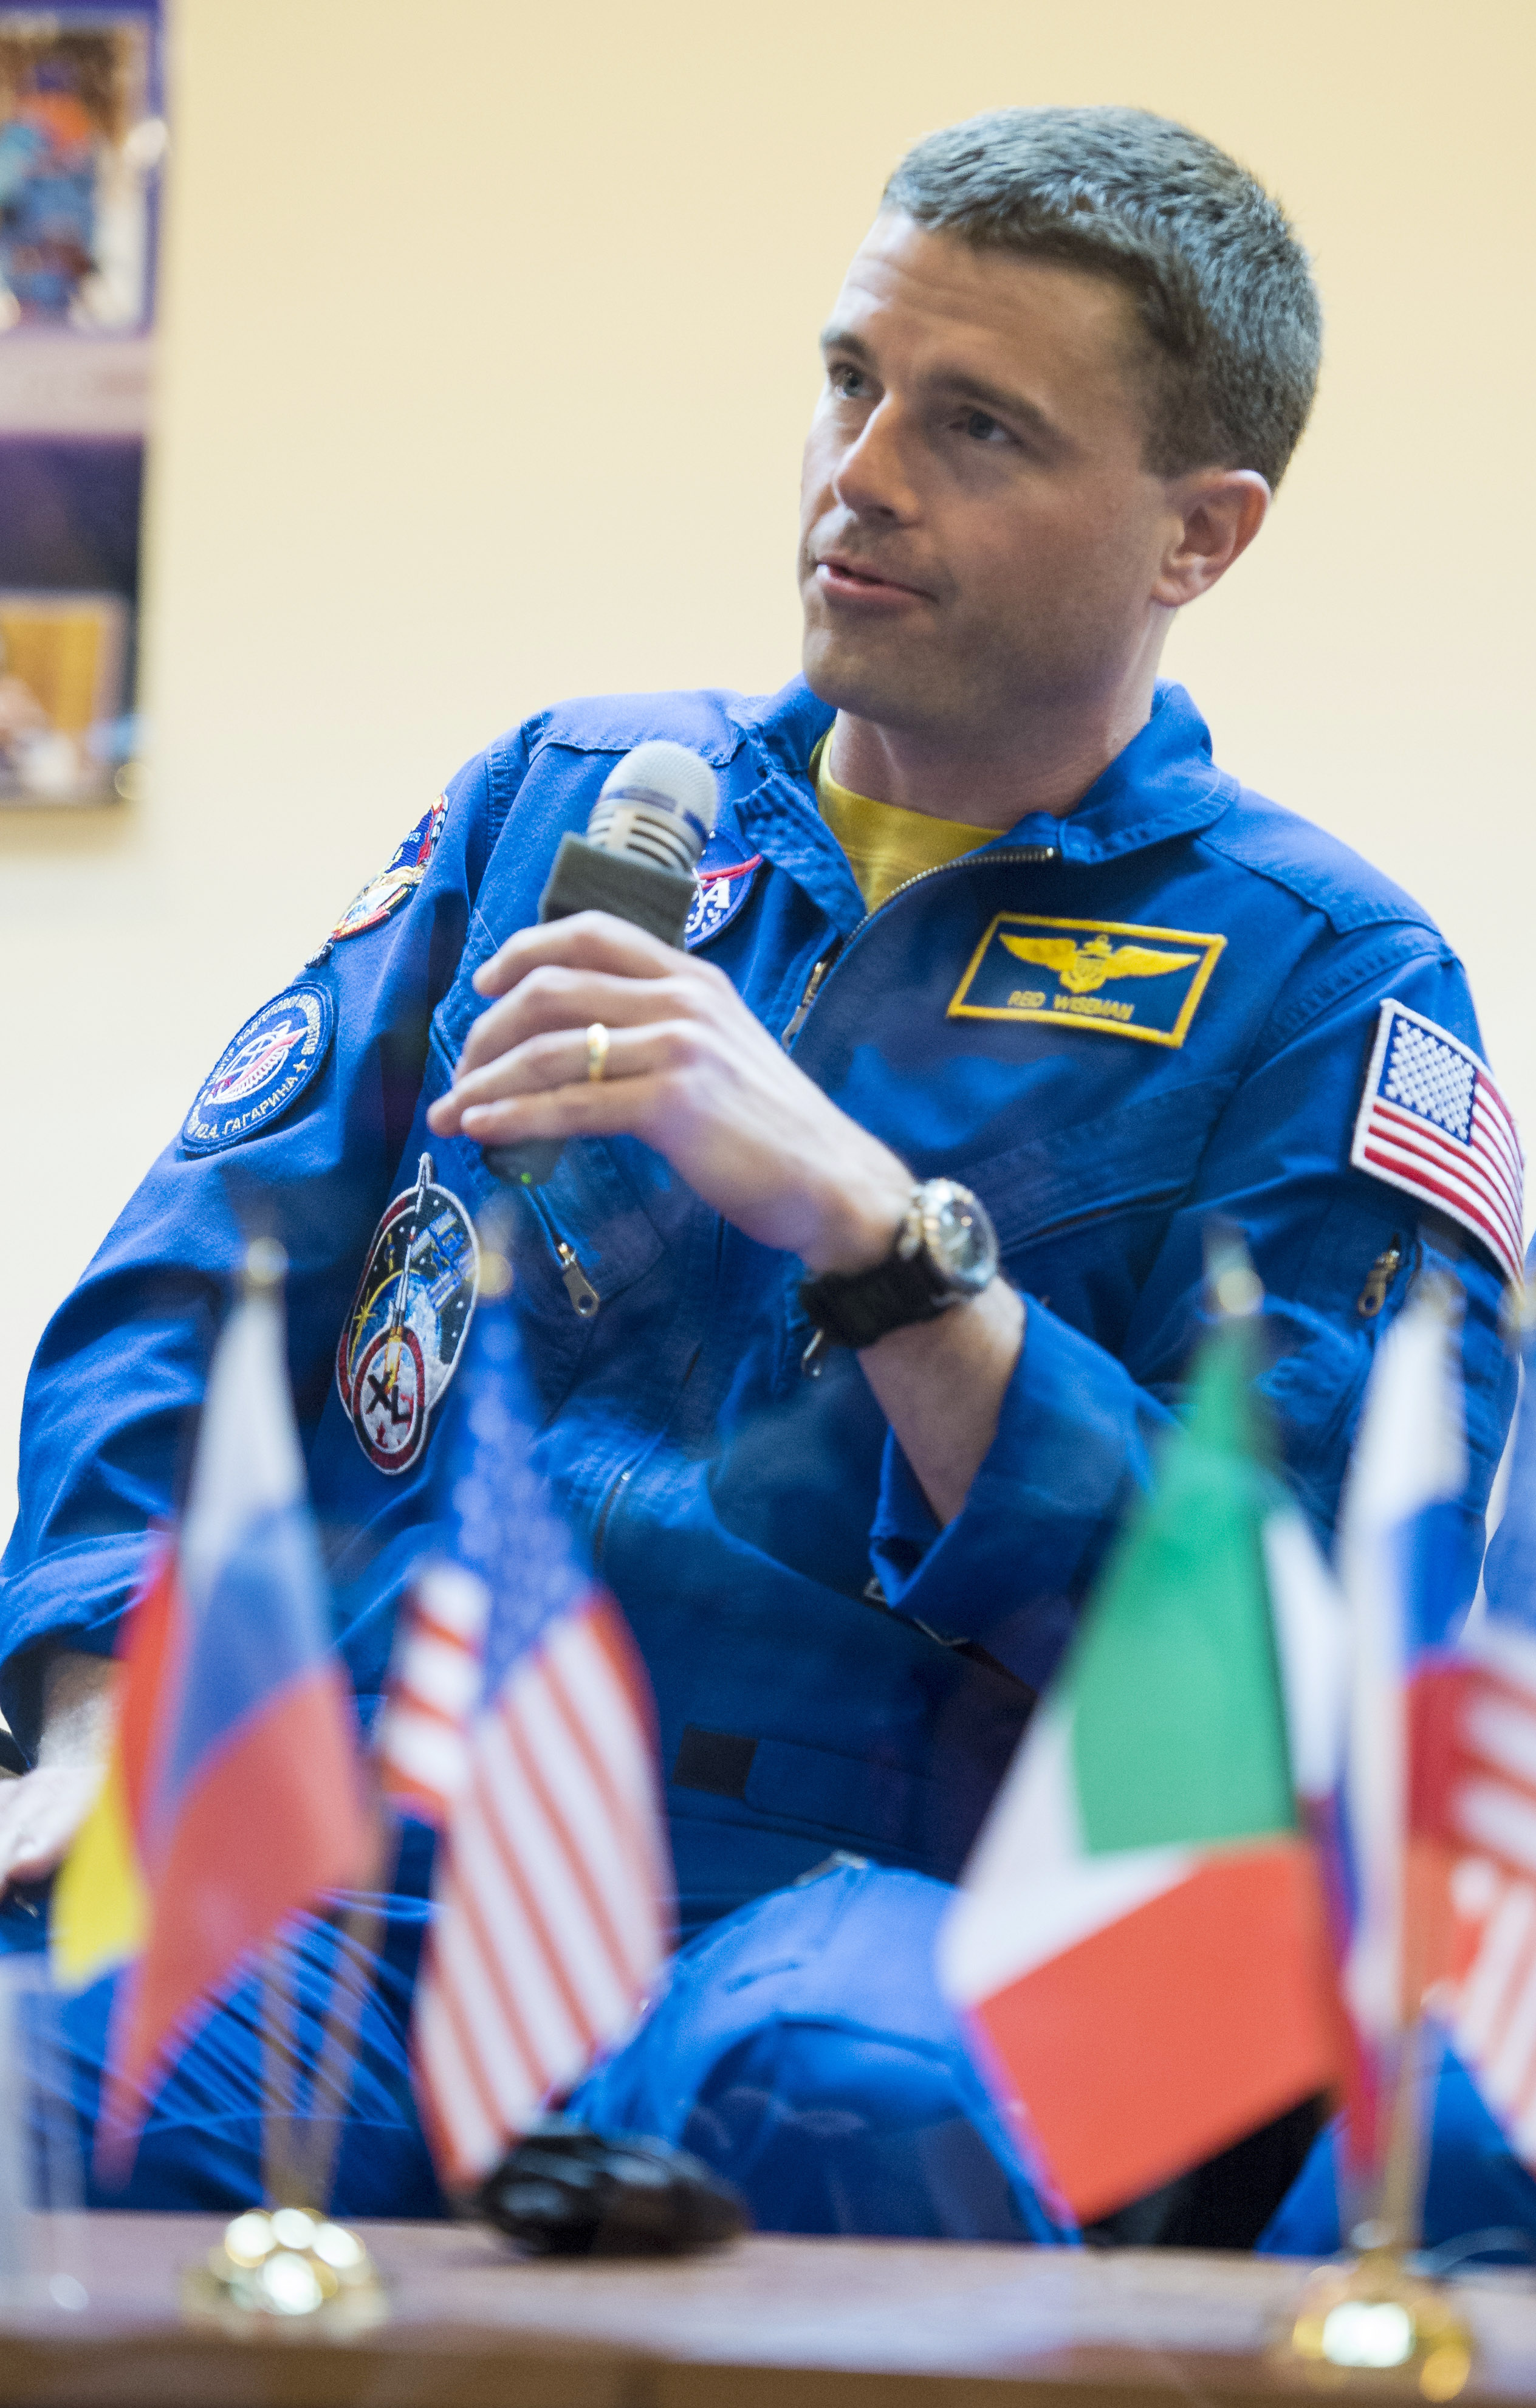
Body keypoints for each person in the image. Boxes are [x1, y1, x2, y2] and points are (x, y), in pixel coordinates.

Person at [0, 105, 1519, 2241]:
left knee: (850, 2105)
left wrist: (891, 1242)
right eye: (849, 382)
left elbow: (1307, 1665)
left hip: (853, 1914)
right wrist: (83, 1715)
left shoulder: (1327, 988)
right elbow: (196, 1284)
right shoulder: (563, 798)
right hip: (365, 1840)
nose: (862, 473)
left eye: (979, 428)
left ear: (1201, 536)